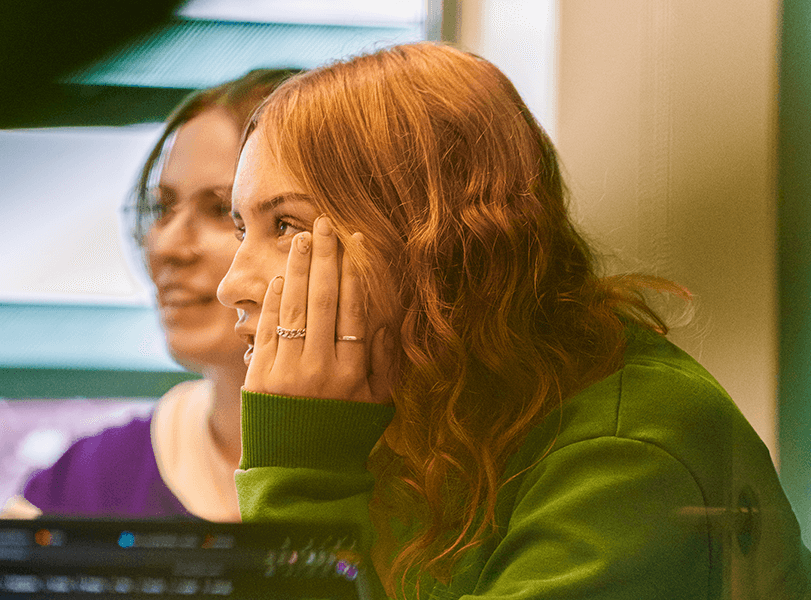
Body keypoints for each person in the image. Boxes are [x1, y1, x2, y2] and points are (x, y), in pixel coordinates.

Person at [216, 43, 811, 599]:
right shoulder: (423, 416)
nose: (231, 285)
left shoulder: (627, 452)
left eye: (286, 226)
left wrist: (299, 477)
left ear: (432, 241)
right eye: (242, 229)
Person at [2, 68, 299, 522]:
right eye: (162, 208)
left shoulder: (404, 479)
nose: (166, 247)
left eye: (221, 210)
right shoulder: (86, 483)